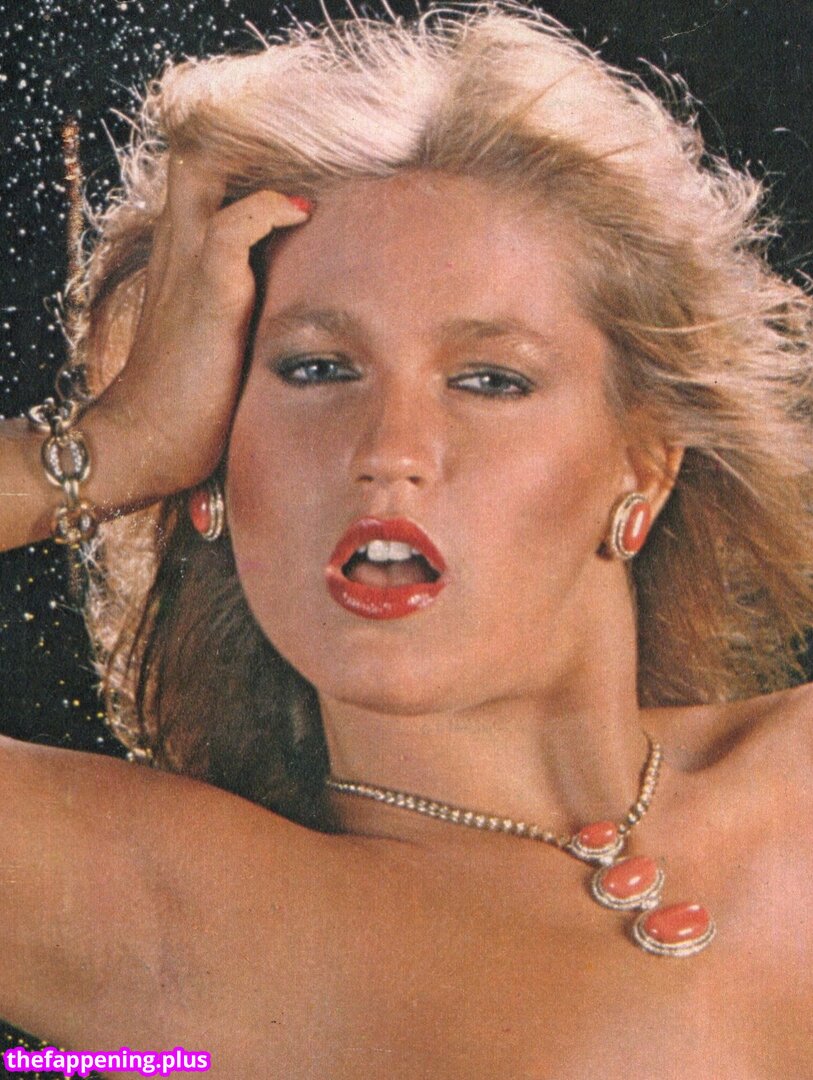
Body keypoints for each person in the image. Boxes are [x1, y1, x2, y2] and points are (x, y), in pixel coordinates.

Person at [1, 4, 812, 1077]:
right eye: (315, 369)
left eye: (490, 379)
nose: (389, 451)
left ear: (644, 466)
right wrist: (114, 448)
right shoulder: (177, 920)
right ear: (215, 466)